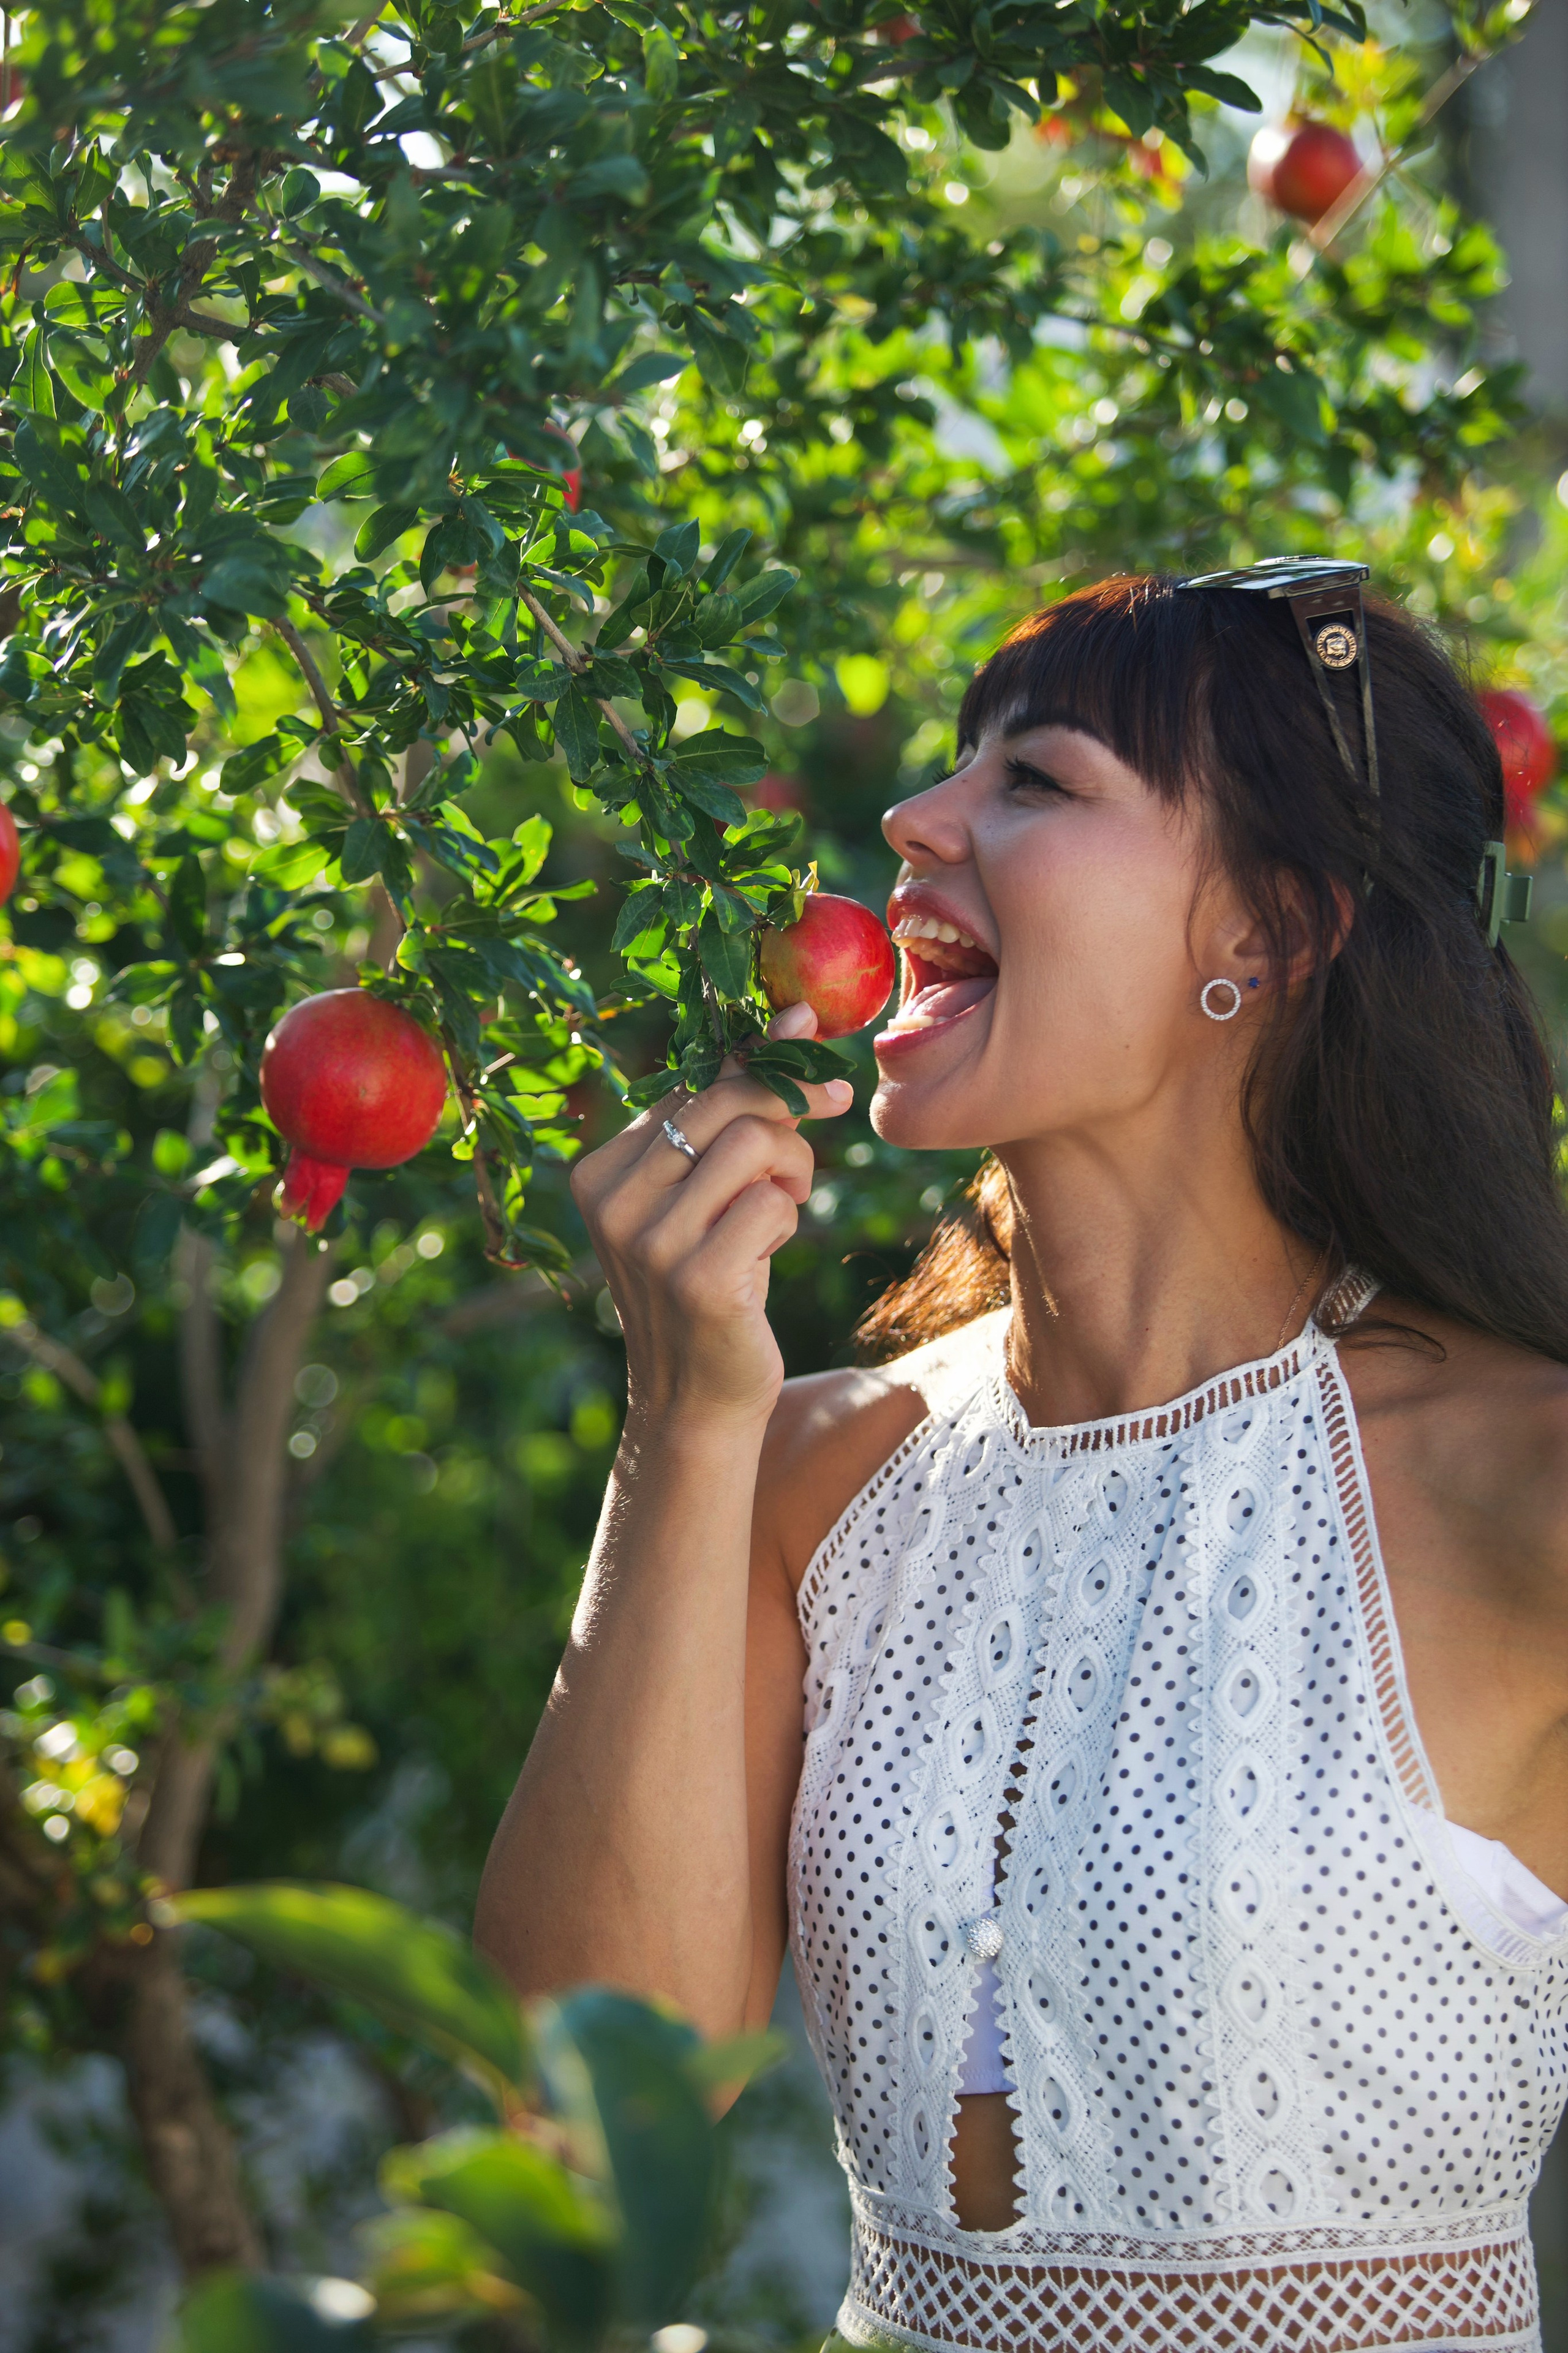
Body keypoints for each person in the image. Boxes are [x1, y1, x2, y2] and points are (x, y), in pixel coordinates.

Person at [476, 568, 1568, 2353]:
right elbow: (578, 2116)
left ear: (1272, 928)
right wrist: (682, 1418)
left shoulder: (1526, 1480)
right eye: (951, 767)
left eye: (1036, 780)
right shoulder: (805, 1473)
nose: (913, 820)